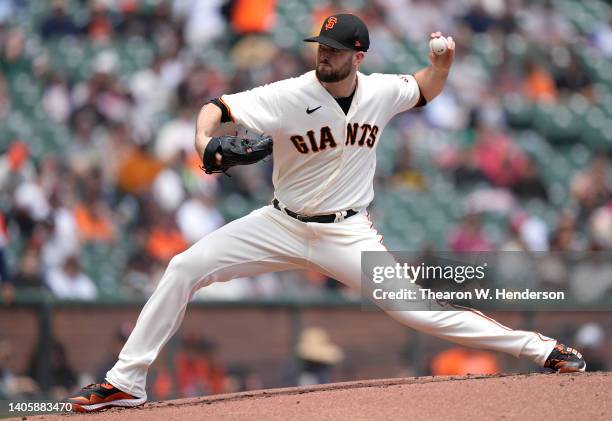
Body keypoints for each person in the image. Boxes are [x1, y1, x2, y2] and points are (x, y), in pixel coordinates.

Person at [66, 14, 586, 412]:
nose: (325, 56)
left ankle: (543, 350)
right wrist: (205, 141)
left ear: (358, 56)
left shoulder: (381, 90)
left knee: (418, 311)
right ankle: (125, 383)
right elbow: (217, 108)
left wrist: (443, 66)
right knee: (184, 267)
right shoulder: (291, 94)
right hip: (280, 223)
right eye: (322, 47)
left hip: (347, 232)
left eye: (336, 51)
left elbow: (424, 87)